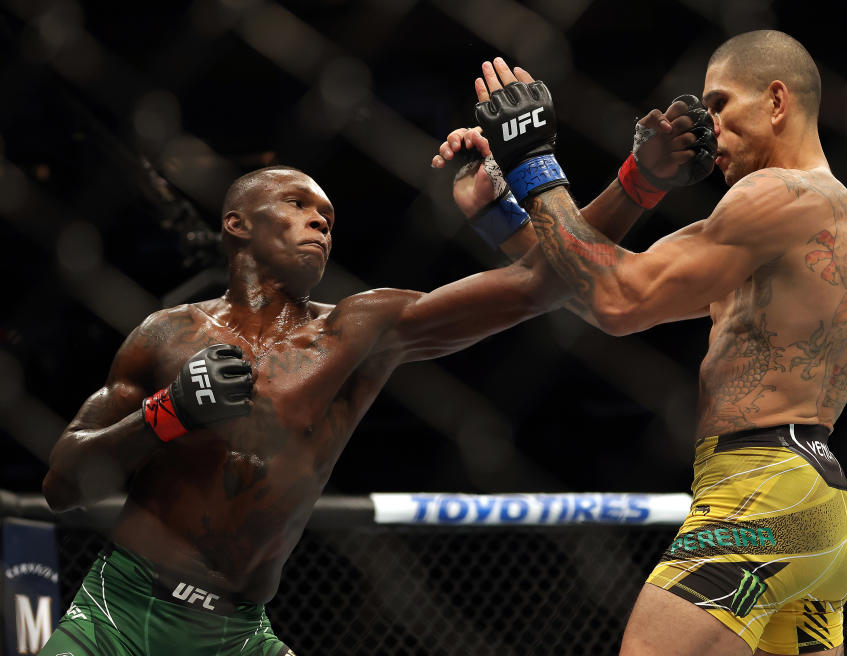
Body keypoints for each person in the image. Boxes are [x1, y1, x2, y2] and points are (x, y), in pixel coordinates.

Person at [38, 87, 711, 655]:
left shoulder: (357, 330)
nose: (319, 225)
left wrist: (639, 178)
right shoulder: (165, 334)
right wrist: (169, 414)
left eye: (327, 219)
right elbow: (63, 481)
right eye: (298, 206)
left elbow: (541, 281)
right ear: (237, 224)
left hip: (235, 635)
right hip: (114, 615)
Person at [458, 30, 847, 656]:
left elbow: (620, 301)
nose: (709, 128)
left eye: (721, 105)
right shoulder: (813, 212)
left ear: (777, 101)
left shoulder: (774, 194)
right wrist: (504, 219)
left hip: (759, 494)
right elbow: (608, 284)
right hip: (820, 508)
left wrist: (533, 161)